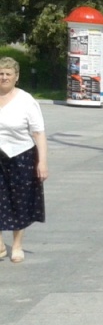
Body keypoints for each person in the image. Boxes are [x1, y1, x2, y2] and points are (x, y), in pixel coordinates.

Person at [0, 57, 48, 263]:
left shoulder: (26, 100)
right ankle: (0, 244)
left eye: (8, 74)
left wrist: (42, 162)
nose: (3, 77)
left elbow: (38, 133)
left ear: (16, 77)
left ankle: (17, 245)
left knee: (19, 200)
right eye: (0, 73)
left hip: (21, 155)